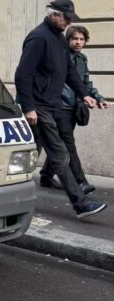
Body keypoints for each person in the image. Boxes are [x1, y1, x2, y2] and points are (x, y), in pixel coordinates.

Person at [14, 0, 105, 220]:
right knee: (59, 153)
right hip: (39, 106)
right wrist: (29, 107)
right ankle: (81, 204)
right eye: (66, 19)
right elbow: (22, 74)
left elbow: (70, 72)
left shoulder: (58, 39)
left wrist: (84, 93)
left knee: (29, 153)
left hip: (51, 105)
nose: (68, 23)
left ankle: (6, 193)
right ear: (54, 15)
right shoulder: (38, 38)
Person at [39, 23, 110, 194]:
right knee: (69, 144)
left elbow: (85, 83)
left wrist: (98, 98)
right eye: (74, 38)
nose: (78, 42)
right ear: (68, 40)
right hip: (59, 106)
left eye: (81, 39)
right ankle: (81, 181)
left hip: (74, 107)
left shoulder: (82, 59)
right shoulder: (60, 56)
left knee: (60, 142)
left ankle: (46, 176)